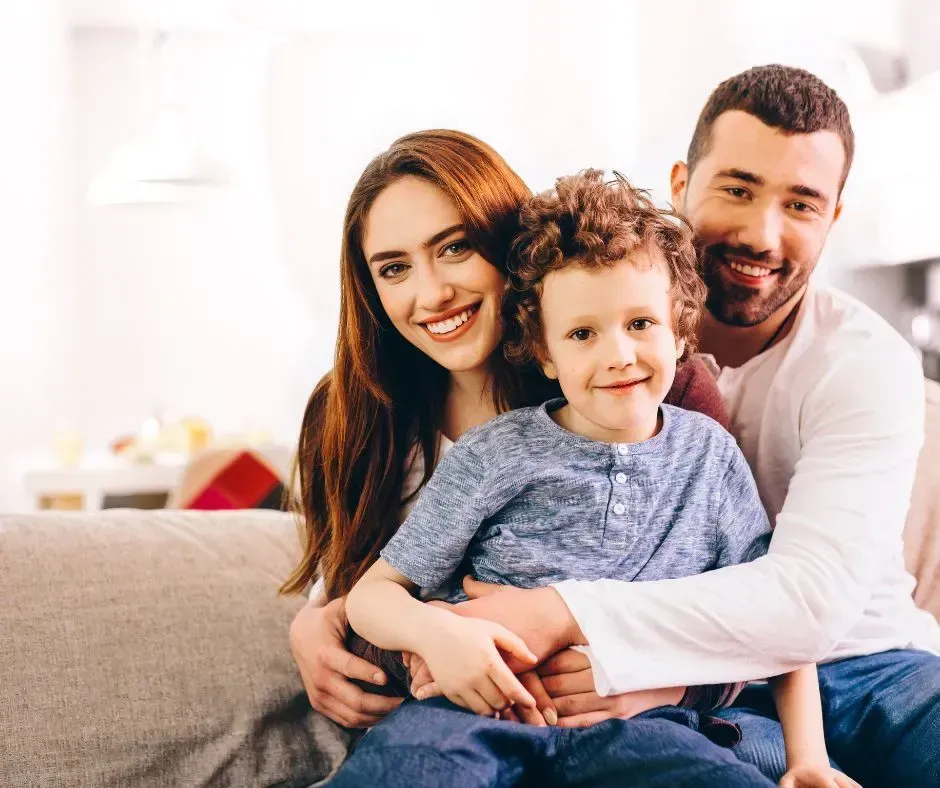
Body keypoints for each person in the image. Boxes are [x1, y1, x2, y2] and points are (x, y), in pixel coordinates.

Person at [410, 66, 940, 787]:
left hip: (871, 663)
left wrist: (569, 614)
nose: (762, 233)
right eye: (738, 189)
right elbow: (436, 515)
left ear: (834, 219)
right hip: (717, 696)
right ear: (681, 183)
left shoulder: (864, 362)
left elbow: (809, 602)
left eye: (801, 204)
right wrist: (332, 611)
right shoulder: (583, 342)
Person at [330, 170, 858, 788]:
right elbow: (372, 595)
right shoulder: (493, 453)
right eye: (582, 334)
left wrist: (808, 761)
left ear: (680, 330)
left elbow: (774, 621)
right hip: (471, 714)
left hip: (641, 724)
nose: (618, 356)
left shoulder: (710, 457)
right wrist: (439, 637)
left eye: (641, 324)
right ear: (545, 354)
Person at [281, 129, 728, 733]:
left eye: (455, 248)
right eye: (394, 268)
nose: (432, 294)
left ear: (508, 243)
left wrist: (669, 682)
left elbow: (743, 595)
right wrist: (317, 619)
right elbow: (358, 580)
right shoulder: (347, 414)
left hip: (617, 728)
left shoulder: (650, 389)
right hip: (447, 727)